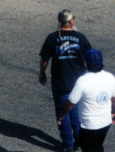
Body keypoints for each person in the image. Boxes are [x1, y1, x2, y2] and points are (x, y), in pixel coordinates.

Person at [39, 9, 93, 152]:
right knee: (76, 112)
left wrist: (42, 73)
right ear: (70, 21)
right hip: (79, 83)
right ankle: (79, 139)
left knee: (62, 114)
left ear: (59, 22)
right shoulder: (80, 37)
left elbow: (44, 59)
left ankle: (68, 145)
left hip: (60, 82)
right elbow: (90, 57)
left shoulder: (52, 38)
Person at [57, 49, 115, 152]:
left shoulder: (83, 81)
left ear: (87, 62)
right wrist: (114, 112)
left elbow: (70, 103)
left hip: (89, 125)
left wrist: (61, 115)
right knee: (98, 145)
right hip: (105, 122)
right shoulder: (110, 77)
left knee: (88, 148)